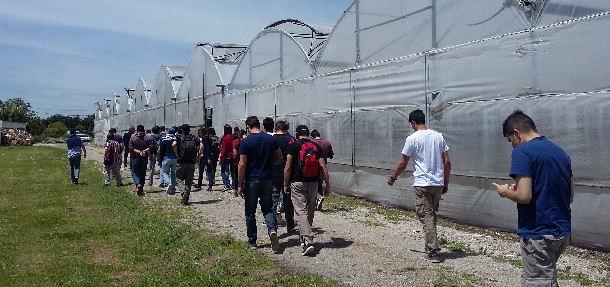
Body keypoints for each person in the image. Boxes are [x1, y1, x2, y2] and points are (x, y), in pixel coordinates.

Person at [492, 110, 573, 286]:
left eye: (510, 141)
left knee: (539, 282)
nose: (512, 146)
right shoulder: (560, 153)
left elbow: (524, 196)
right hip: (561, 231)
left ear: (516, 133)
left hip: (539, 233)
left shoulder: (522, 152)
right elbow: (570, 195)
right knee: (539, 278)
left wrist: (506, 191)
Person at [387, 109, 451, 263]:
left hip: (422, 184)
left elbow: (403, 162)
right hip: (437, 183)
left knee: (425, 215)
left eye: (411, 124)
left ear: (413, 122)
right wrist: (445, 182)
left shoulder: (412, 139)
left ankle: (433, 250)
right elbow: (447, 161)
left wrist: (393, 177)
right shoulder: (438, 136)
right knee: (431, 215)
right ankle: (429, 244)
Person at [237, 116, 283, 251]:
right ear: (259, 125)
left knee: (250, 211)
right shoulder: (270, 139)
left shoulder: (246, 142)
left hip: (252, 178)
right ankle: (272, 230)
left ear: (248, 126)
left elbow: (242, 164)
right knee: (267, 208)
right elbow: (280, 157)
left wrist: (240, 184)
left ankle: (252, 241)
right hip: (268, 178)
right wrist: (269, 164)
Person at [284, 125, 329, 256]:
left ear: (297, 133)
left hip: (297, 182)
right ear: (308, 134)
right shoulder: (316, 147)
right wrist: (327, 184)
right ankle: (304, 238)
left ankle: (308, 240)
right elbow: (323, 166)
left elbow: (287, 167)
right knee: (310, 211)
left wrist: (285, 184)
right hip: (314, 182)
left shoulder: (293, 146)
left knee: (300, 211)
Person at [273, 120, 296, 232]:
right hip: (287, 173)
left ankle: (272, 224)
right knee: (288, 200)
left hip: (273, 173)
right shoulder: (290, 140)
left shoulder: (271, 140)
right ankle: (290, 223)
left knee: (273, 199)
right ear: (285, 129)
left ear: (275, 128)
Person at [173, 124, 203, 204]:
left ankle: (183, 192)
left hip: (182, 160)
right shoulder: (193, 137)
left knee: (178, 178)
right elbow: (201, 145)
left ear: (182, 130)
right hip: (192, 161)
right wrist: (198, 156)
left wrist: (176, 154)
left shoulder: (179, 137)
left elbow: (174, 144)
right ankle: (187, 194)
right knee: (189, 180)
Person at [311, 129, 334, 210]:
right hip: (323, 166)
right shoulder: (327, 143)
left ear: (312, 137)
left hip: (313, 166)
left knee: (312, 183)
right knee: (320, 182)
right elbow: (331, 155)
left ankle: (316, 198)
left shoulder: (312, 143)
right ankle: (319, 197)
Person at [129, 125, 152, 196]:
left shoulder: (133, 138)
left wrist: (138, 151)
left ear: (137, 130)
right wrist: (144, 151)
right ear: (144, 130)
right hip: (144, 158)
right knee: (143, 173)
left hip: (135, 157)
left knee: (134, 172)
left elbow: (130, 147)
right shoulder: (147, 138)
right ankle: (141, 188)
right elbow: (150, 146)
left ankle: (138, 184)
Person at [158, 128, 178, 195]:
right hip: (175, 158)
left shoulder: (163, 138)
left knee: (165, 173)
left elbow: (160, 149)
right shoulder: (175, 138)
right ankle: (173, 189)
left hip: (166, 157)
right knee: (173, 173)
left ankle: (168, 183)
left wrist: (159, 157)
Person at [220, 124, 235, 191]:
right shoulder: (233, 137)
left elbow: (223, 150)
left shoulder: (225, 138)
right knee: (233, 172)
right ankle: (234, 186)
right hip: (232, 156)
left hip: (226, 156)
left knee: (223, 171)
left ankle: (226, 184)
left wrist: (221, 159)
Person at [231, 128, 245, 197]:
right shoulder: (245, 141)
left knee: (236, 175)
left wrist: (233, 158)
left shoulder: (235, 141)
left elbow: (235, 152)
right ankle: (244, 188)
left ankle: (236, 190)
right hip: (245, 160)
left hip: (237, 160)